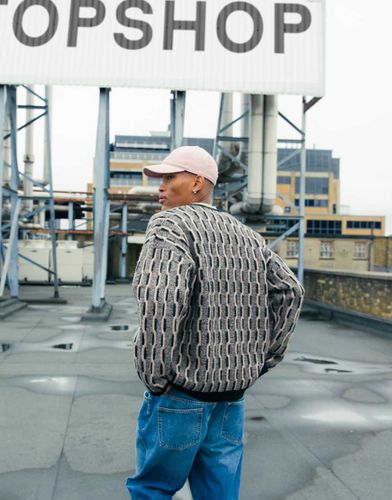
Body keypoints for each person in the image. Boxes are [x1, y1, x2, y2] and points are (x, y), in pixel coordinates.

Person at [126, 146, 305, 499]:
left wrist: (156, 375)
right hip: (231, 396)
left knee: (153, 489)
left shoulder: (169, 225)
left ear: (197, 183)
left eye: (169, 178)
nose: (160, 187)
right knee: (219, 493)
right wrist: (264, 359)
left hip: (182, 392)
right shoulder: (245, 234)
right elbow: (290, 291)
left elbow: (160, 301)